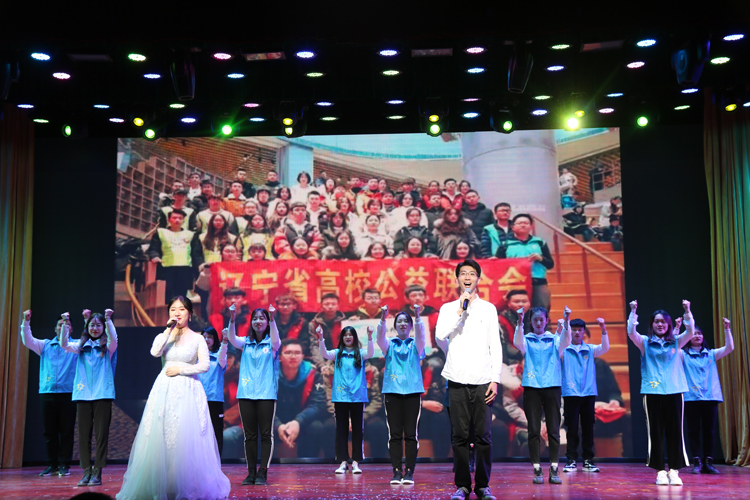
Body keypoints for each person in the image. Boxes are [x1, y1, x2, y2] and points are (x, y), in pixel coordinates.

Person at [116, 297, 230, 500]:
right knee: (161, 435)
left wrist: (181, 370)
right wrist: (167, 330)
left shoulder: (198, 339)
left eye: (182, 309)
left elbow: (204, 365)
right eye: (173, 309)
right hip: (164, 389)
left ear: (190, 314)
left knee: (184, 437)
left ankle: (185, 485)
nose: (177, 313)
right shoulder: (164, 335)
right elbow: (154, 352)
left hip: (188, 389)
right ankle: (163, 484)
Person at [435, 259, 503, 500]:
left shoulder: (489, 308)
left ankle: (483, 486)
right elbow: (440, 335)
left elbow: (495, 344)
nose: (467, 277)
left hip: (483, 379)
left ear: (478, 279)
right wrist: (460, 310)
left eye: (472, 274)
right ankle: (462, 486)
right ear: (457, 279)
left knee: (484, 436)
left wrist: (495, 379)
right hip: (457, 379)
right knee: (460, 437)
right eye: (463, 273)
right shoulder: (448, 308)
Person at [628, 299, 694, 486]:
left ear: (668, 324)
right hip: (652, 392)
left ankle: (674, 470)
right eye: (656, 321)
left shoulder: (676, 342)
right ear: (652, 324)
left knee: (676, 433)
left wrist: (687, 311)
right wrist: (633, 311)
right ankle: (660, 471)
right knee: (655, 433)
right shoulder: (645, 342)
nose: (660, 324)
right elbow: (631, 332)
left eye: (663, 322)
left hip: (675, 391)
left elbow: (690, 331)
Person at [513, 305, 571, 485]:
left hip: (552, 387)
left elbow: (566, 341)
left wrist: (567, 320)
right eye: (535, 320)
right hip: (532, 387)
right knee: (533, 430)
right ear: (531, 322)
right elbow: (517, 341)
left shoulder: (554, 340)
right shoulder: (526, 340)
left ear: (546, 321)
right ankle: (537, 468)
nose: (538, 323)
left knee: (553, 429)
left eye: (541, 320)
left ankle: (554, 468)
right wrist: (520, 322)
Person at [60, 309, 117, 487]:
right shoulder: (80, 345)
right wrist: (65, 323)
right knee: (84, 435)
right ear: (87, 327)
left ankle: (97, 471)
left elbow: (114, 337)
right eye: (92, 325)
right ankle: (86, 470)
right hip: (83, 394)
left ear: (103, 328)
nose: (95, 328)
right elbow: (63, 344)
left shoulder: (108, 347)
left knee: (101, 436)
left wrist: (108, 320)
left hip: (103, 394)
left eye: (98, 325)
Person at [226, 303, 281, 486]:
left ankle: (262, 472)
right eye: (255, 318)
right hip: (246, 394)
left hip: (266, 394)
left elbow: (276, 339)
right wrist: (233, 319)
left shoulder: (272, 344)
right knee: (249, 435)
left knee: (265, 435)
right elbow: (232, 339)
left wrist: (272, 319)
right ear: (251, 322)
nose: (258, 321)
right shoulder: (246, 342)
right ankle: (251, 473)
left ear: (267, 322)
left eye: (262, 318)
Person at [20, 310, 77, 477]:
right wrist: (26, 322)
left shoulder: (75, 346)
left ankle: (64, 465)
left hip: (68, 393)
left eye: (67, 324)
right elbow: (28, 340)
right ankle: (52, 465)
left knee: (66, 432)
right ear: (55, 328)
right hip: (47, 393)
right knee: (49, 432)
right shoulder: (45, 345)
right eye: (60, 325)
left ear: (71, 329)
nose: (63, 327)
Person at [315, 324, 375, 474]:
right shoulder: (337, 353)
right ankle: (343, 462)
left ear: (354, 337)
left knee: (357, 430)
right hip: (340, 397)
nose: (348, 337)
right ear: (342, 338)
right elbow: (324, 353)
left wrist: (369, 337)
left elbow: (371, 352)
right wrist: (321, 338)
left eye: (350, 335)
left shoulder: (360, 353)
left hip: (357, 397)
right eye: (345, 335)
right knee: (341, 430)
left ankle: (356, 462)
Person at [377, 305, 425, 485]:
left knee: (411, 434)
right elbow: (379, 338)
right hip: (392, 393)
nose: (403, 324)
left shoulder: (416, 345)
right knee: (395, 435)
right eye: (399, 322)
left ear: (411, 326)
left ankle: (409, 471)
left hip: (412, 393)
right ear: (395, 326)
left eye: (406, 321)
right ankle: (397, 471)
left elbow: (421, 335)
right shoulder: (389, 345)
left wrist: (418, 316)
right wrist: (383, 318)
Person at [683, 317, 734, 475]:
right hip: (691, 397)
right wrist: (679, 329)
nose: (697, 336)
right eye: (694, 333)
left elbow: (729, 348)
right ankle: (696, 462)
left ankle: (708, 462)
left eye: (699, 333)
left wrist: (727, 328)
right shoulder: (683, 355)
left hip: (710, 397)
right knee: (693, 431)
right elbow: (673, 349)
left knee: (709, 431)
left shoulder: (711, 354)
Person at [561, 318, 610, 473]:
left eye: (579, 330)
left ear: (583, 331)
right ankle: (571, 460)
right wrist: (564, 323)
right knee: (572, 428)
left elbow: (605, 347)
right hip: (571, 393)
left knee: (588, 427)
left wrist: (603, 328)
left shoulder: (590, 349)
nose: (577, 332)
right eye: (574, 330)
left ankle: (588, 460)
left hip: (588, 393)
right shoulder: (564, 349)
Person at [275, 339, 334, 458]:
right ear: (280, 357)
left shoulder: (313, 375)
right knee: (260, 426)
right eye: (288, 352)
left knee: (316, 426)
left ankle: (307, 467)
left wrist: (298, 422)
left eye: (297, 353)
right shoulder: (270, 375)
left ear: (303, 356)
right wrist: (277, 425)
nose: (293, 356)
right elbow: (263, 405)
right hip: (277, 420)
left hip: (303, 420)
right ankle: (262, 467)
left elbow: (318, 405)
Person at [495, 214, 554, 311]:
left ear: (531, 226)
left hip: (537, 282)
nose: (523, 225)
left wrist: (540, 258)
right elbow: (498, 266)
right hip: (513, 283)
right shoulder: (505, 244)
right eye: (519, 223)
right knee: (514, 310)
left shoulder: (540, 242)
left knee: (541, 310)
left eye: (526, 223)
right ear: (512, 227)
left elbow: (550, 264)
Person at [147, 209, 204, 304]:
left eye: (180, 218)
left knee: (181, 296)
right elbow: (153, 248)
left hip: (185, 269)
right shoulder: (160, 233)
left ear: (183, 221)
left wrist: (199, 264)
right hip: (166, 268)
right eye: (174, 218)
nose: (177, 220)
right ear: (169, 220)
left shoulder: (190, 235)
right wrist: (154, 256)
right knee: (166, 295)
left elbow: (196, 252)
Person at [198, 326, 229, 457]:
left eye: (210, 337)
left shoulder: (219, 357)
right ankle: (200, 461)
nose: (206, 339)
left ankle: (216, 462)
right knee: (199, 431)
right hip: (198, 399)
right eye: (204, 337)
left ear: (215, 339)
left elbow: (222, 353)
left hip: (214, 400)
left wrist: (225, 340)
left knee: (216, 431)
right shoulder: (196, 358)